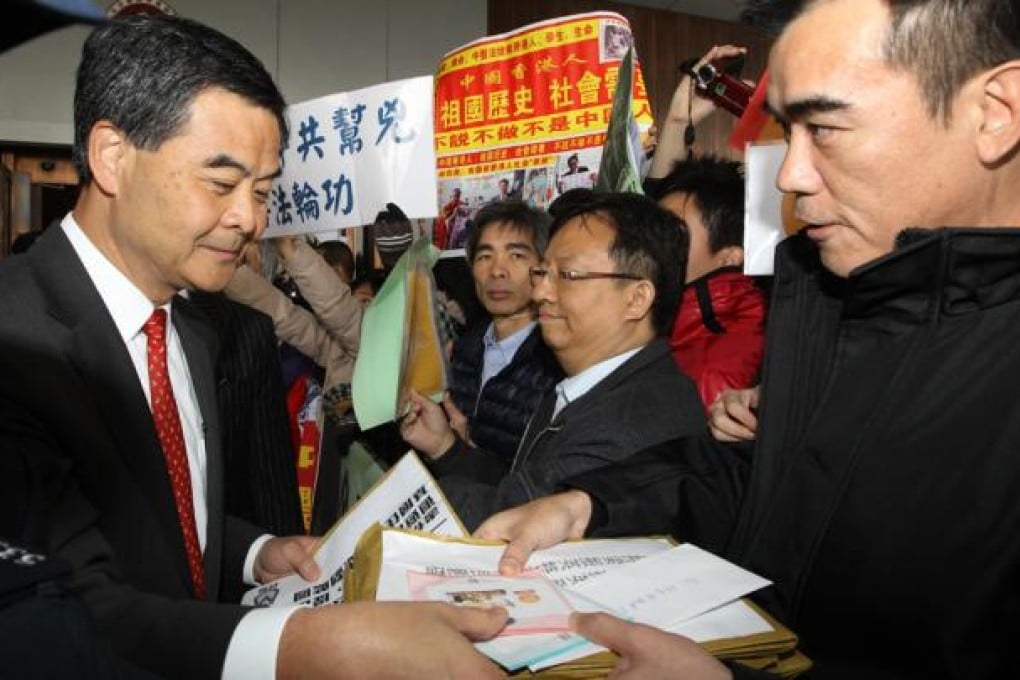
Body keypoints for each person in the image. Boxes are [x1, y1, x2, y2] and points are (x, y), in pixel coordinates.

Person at [476, 0, 1020, 677]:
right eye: (788, 133)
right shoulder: (822, 295)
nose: (789, 176)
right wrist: (589, 503)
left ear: (996, 112)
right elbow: (755, 485)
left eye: (824, 127)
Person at [0, 15, 506, 677]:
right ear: (111, 157)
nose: (250, 219)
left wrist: (251, 550)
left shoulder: (195, 325)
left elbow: (152, 510)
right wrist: (319, 645)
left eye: (263, 191)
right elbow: (64, 606)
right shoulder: (15, 339)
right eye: (221, 183)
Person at [402, 191, 705, 530]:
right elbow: (523, 485)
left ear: (636, 299)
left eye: (569, 275)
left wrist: (394, 512)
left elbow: (513, 515)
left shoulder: (629, 420)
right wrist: (446, 446)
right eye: (543, 273)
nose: (541, 292)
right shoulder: (590, 388)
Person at [442, 201, 563, 463]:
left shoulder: (558, 365)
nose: (497, 271)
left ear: (544, 267)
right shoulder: (462, 352)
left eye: (516, 256)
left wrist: (458, 455)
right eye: (485, 256)